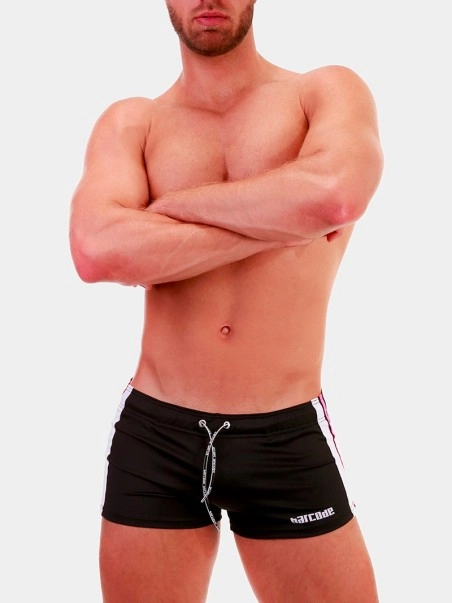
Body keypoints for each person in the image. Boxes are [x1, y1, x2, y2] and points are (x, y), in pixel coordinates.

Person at [69, 1, 384, 601]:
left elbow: (334, 197)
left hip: (282, 432)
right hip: (156, 434)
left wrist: (163, 213)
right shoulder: (133, 122)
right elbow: (96, 252)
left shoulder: (322, 91)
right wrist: (280, 222)